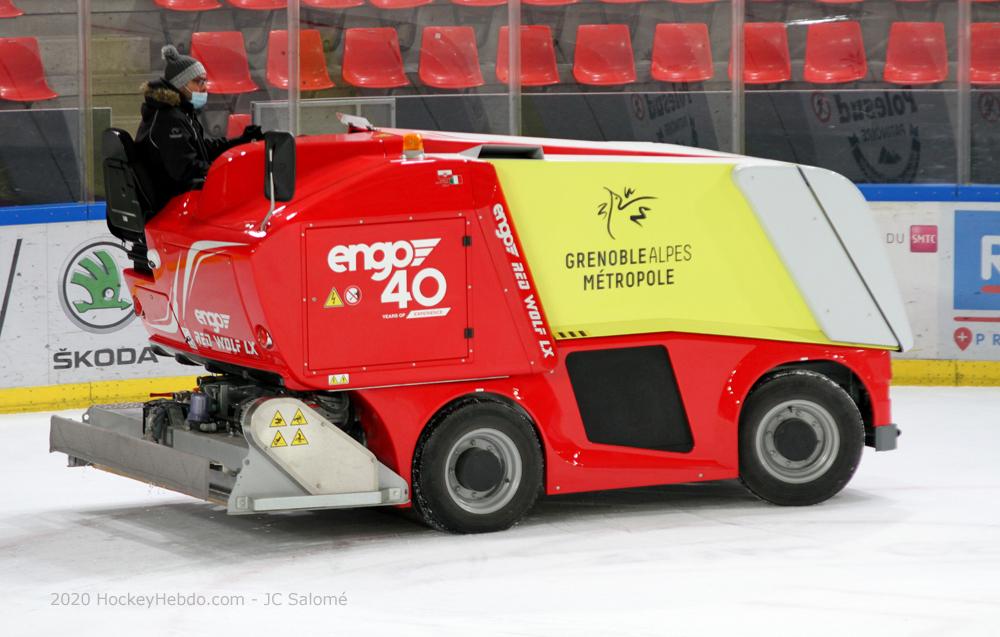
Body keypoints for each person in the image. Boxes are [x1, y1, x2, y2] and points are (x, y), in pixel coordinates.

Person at [135, 44, 264, 211]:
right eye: (198, 81)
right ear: (179, 84)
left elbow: (202, 149)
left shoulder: (180, 112)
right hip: (173, 202)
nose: (204, 87)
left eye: (205, 81)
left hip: (178, 193)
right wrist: (224, 170)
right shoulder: (168, 119)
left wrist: (239, 142)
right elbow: (185, 169)